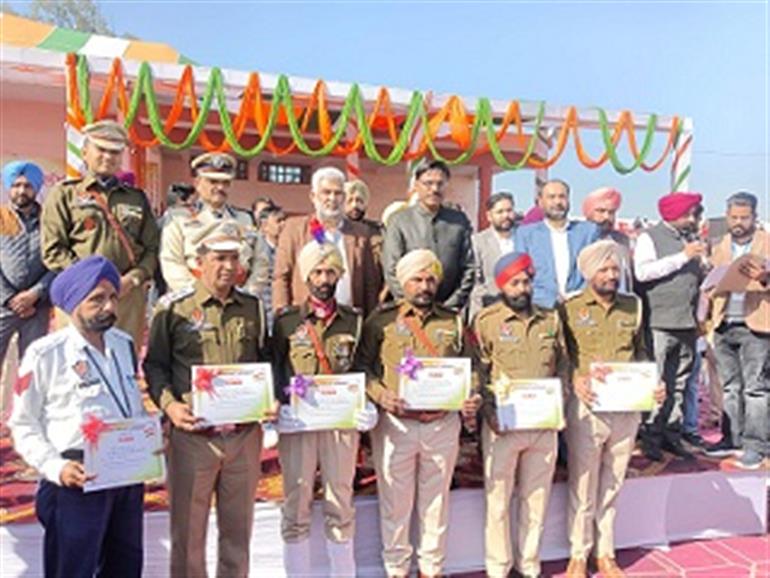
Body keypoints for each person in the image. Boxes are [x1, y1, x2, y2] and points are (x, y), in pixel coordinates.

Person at [143, 228, 278, 577]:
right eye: (219, 258)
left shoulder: (252, 307)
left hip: (243, 436)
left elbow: (265, 360)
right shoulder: (173, 308)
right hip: (193, 437)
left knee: (238, 534)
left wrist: (270, 397)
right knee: (188, 536)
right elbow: (154, 365)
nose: (228, 266)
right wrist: (170, 406)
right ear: (198, 262)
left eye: (234, 258)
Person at [9, 256, 148, 578]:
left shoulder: (124, 344)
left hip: (125, 474)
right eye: (96, 299)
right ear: (73, 304)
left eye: (113, 297)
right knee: (72, 569)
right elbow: (23, 423)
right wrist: (56, 468)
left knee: (125, 567)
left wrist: (147, 445)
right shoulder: (45, 354)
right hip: (75, 477)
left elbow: (131, 405)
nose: (108, 306)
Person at [356, 249, 481, 578]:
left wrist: (472, 395)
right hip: (397, 424)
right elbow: (362, 368)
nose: (425, 286)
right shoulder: (380, 320)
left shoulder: (452, 319)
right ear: (402, 282)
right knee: (395, 503)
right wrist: (382, 395)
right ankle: (397, 568)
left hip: (442, 424)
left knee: (435, 502)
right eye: (417, 279)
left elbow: (473, 367)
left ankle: (431, 567)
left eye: (430, 279)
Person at [273, 241, 378, 577]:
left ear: (339, 274)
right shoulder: (286, 322)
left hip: (340, 425)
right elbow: (274, 368)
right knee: (296, 503)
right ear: (306, 276)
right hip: (298, 424)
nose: (324, 278)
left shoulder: (354, 321)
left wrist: (368, 404)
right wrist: (276, 410)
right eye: (317, 271)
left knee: (340, 501)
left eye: (330, 271)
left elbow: (364, 367)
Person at [561, 240, 664, 578]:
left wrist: (653, 384)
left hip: (626, 405)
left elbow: (642, 351)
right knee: (584, 480)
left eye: (615, 269)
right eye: (603, 270)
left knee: (613, 480)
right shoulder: (569, 307)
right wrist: (575, 379)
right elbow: (563, 358)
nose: (610, 275)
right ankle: (579, 552)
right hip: (588, 406)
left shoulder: (632, 306)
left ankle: (605, 553)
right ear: (589, 273)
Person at [473, 252, 568, 578]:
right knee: (498, 500)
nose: (522, 288)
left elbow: (564, 365)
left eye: (526, 281)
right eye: (515, 282)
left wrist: (561, 401)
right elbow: (479, 371)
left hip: (543, 425)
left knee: (535, 499)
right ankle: (499, 568)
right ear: (502, 286)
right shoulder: (486, 321)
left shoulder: (550, 320)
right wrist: (488, 411)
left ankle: (529, 565)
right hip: (503, 426)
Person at [40, 120, 160, 349]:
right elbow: (53, 250)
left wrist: (134, 277)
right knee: (78, 364)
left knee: (123, 361)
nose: (108, 157)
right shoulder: (65, 195)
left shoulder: (136, 198)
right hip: (80, 293)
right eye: (101, 149)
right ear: (85, 152)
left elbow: (152, 248)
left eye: (115, 152)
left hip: (126, 294)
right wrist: (90, 281)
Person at [635, 192, 706, 461]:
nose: (692, 219)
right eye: (688, 214)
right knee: (657, 383)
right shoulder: (649, 237)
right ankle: (651, 436)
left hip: (687, 322)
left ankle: (672, 434)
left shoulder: (690, 239)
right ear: (673, 213)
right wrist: (683, 257)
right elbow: (643, 272)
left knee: (679, 382)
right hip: (660, 322)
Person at [704, 192, 769, 469]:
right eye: (734, 217)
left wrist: (765, 277)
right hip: (724, 322)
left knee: (756, 388)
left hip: (756, 323)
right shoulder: (721, 245)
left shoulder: (766, 243)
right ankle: (732, 438)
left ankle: (756, 444)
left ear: (755, 217)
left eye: (744, 217)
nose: (739, 222)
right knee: (730, 387)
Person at [273, 166, 381, 316]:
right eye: (326, 192)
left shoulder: (360, 233)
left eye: (338, 193)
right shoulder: (294, 229)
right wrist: (282, 315)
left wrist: (370, 321)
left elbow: (370, 284)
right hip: (305, 321)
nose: (332, 198)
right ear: (313, 196)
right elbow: (281, 277)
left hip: (348, 320)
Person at [160, 152, 259, 293]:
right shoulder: (178, 218)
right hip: (193, 300)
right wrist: (199, 295)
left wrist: (248, 294)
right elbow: (171, 262)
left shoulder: (244, 219)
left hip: (238, 300)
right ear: (197, 183)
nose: (220, 188)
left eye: (225, 183)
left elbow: (260, 263)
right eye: (213, 182)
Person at [382, 160, 475, 311]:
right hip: (410, 311)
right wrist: (410, 304)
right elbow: (391, 269)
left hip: (450, 310)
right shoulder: (399, 221)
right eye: (428, 183)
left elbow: (469, 267)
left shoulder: (458, 221)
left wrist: (453, 303)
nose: (434, 189)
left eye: (440, 183)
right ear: (416, 185)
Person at [1, 161, 55, 367]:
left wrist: (35, 294)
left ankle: (27, 401)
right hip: (3, 305)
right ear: (8, 188)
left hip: (37, 307)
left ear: (37, 188)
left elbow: (56, 262)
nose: (21, 191)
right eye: (16, 185)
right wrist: (10, 299)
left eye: (27, 185)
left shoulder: (50, 221)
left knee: (33, 368)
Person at [514, 179, 599, 309]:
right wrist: (548, 300)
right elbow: (521, 273)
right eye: (551, 197)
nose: (557, 202)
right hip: (541, 306)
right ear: (541, 202)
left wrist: (577, 297)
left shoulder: (587, 232)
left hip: (580, 306)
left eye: (562, 197)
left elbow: (594, 269)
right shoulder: (526, 234)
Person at [469, 191, 516, 320]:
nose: (506, 215)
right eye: (500, 212)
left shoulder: (525, 238)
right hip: (489, 309)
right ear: (489, 216)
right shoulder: (478, 242)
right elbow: (475, 281)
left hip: (521, 309)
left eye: (509, 210)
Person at [582, 186, 633, 292]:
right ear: (589, 212)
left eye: (611, 212)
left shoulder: (622, 240)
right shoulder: (580, 239)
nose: (606, 217)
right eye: (601, 211)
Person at [252, 205, 286, 331]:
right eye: (278, 221)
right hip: (259, 310)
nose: (283, 224)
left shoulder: (286, 250)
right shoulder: (254, 249)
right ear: (264, 226)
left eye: (284, 220)